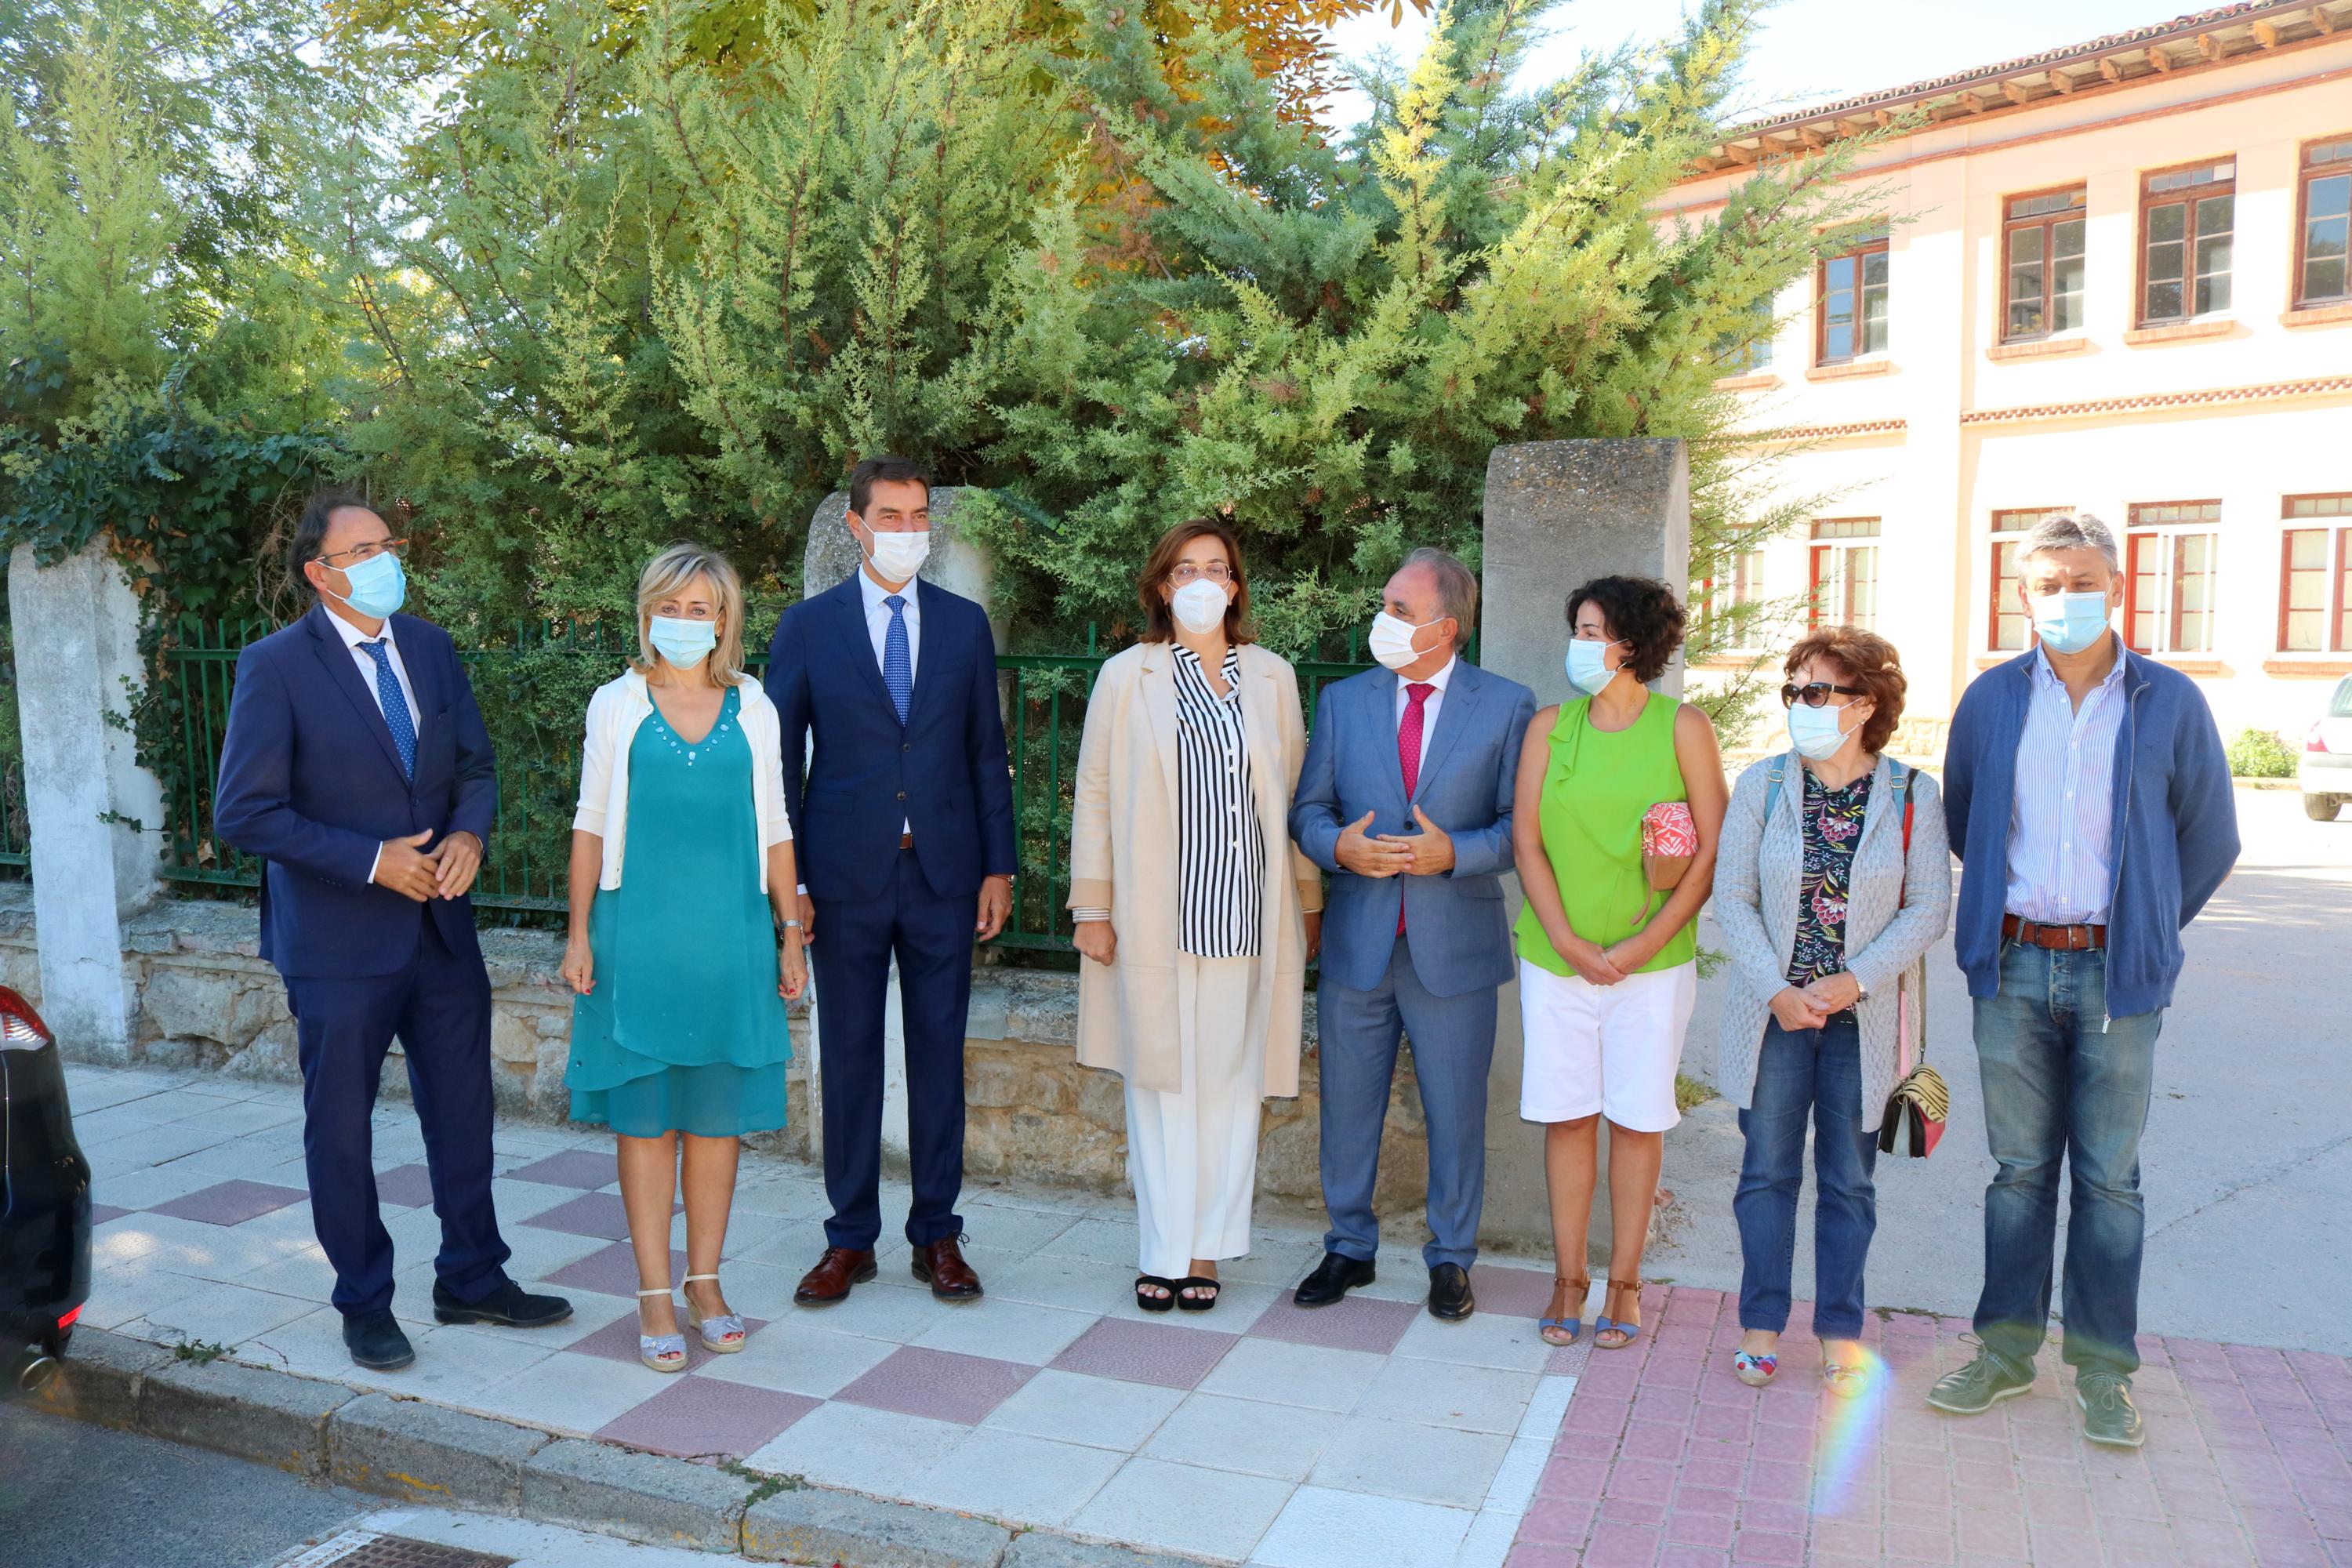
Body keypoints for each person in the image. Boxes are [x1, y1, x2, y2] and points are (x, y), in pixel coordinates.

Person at [215, 490, 571, 1372]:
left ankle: (473, 1277)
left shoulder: (431, 647)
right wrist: (373, 860)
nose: (386, 559)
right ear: (319, 572)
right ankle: (364, 1301)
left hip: (443, 932)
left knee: (465, 1114)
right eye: (363, 548)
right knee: (340, 1127)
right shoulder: (276, 665)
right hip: (338, 944)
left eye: (389, 543)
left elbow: (476, 766)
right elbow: (245, 811)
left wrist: (468, 834)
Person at [1927, 513, 2238, 1448]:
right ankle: (2006, 1353)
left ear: (2116, 587)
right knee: (2017, 1172)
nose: (2065, 596)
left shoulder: (2169, 701)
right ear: (2024, 595)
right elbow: (1967, 817)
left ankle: (2105, 1370)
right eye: (2047, 582)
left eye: (2082, 579)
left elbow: (2210, 835)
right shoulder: (1990, 702)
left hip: (2116, 973)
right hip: (2014, 961)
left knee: (2109, 1179)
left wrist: (2143, 927)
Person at [764, 455, 1016, 1306]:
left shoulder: (962, 624)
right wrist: (789, 885)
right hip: (844, 879)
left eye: (920, 516)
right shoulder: (808, 627)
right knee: (851, 1061)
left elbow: (988, 753)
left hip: (945, 874)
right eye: (893, 516)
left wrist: (998, 863)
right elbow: (778, 769)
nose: (910, 531)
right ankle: (849, 1239)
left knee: (940, 1059)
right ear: (857, 524)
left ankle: (937, 1236)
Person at [560, 546, 807, 1371]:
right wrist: (579, 930)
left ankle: (707, 1283)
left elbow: (775, 823)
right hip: (638, 933)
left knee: (715, 1118)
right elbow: (590, 823)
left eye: (703, 608)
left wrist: (792, 928)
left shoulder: (756, 705)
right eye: (673, 603)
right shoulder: (618, 702)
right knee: (645, 1119)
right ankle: (654, 1293)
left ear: (726, 619)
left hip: (730, 937)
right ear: (647, 610)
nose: (687, 620)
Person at [1067, 519, 1323, 1312]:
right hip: (1157, 920)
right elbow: (1098, 791)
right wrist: (1093, 904)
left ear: (1237, 586)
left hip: (1248, 918)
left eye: (1217, 567)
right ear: (1162, 586)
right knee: (1161, 1085)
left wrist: (1309, 900)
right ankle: (1162, 1249)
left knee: (1231, 1087)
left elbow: (1297, 794)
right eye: (1186, 568)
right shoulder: (1127, 675)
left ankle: (1206, 1250)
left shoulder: (1272, 676)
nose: (1203, 580)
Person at [1287, 549, 1535, 1320]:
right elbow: (1308, 810)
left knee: (1456, 1108)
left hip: (1452, 944)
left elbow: (1518, 828)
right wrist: (1338, 848)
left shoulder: (1505, 704)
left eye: (1401, 609)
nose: (1383, 619)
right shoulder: (1344, 700)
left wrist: (1452, 851)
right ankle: (1348, 1246)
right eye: (1386, 603)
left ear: (1446, 627)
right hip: (1361, 936)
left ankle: (1451, 1257)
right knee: (1347, 1103)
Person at [1713, 629, 1951, 1396]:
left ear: (1865, 703)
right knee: (1766, 1173)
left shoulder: (1913, 795)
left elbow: (1927, 910)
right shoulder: (1764, 786)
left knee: (1849, 1180)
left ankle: (1841, 1331)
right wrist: (1779, 990)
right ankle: (1759, 1323)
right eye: (1794, 690)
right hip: (1776, 1016)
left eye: (1817, 691)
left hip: (1861, 1019)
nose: (1801, 706)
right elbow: (1733, 899)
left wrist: (1852, 980)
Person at [1512, 575, 1724, 1350]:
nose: (1580, 642)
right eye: (1578, 627)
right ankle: (1569, 1278)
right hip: (1555, 958)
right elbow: (1527, 841)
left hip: (1653, 966)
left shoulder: (1684, 728)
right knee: (1568, 1116)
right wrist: (1566, 939)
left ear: (1632, 642)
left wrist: (1640, 944)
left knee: (1637, 1120)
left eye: (1594, 628)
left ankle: (1625, 1282)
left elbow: (1708, 850)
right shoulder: (1549, 728)